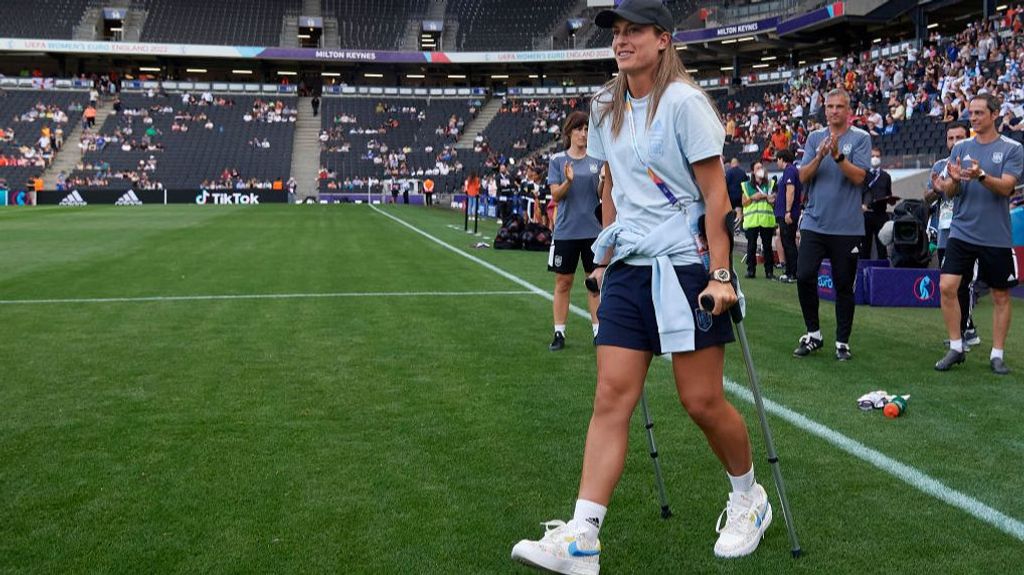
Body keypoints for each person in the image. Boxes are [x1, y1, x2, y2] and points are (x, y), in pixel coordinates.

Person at [511, 2, 770, 572]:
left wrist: (722, 274)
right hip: (628, 265)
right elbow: (610, 185)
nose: (622, 41)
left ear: (663, 40)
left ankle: (749, 496)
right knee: (611, 396)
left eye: (634, 32)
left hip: (685, 265)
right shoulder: (605, 105)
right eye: (617, 34)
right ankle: (583, 535)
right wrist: (603, 256)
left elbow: (716, 198)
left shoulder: (685, 104)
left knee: (699, 400)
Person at [931, 94, 1021, 375]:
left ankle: (997, 354)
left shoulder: (1011, 148)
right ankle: (956, 347)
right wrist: (952, 182)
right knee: (947, 286)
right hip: (962, 230)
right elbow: (950, 191)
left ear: (994, 115)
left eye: (980, 112)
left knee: (1000, 295)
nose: (974, 117)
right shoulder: (961, 147)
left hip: (995, 234)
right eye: (971, 112)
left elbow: (1006, 188)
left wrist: (981, 175)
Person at [793, 89, 871, 361]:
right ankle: (813, 333)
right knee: (803, 275)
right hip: (815, 221)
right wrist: (819, 156)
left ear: (848, 110)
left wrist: (838, 156)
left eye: (840, 106)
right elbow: (802, 176)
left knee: (843, 286)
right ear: (824, 110)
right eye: (830, 106)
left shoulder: (861, 138)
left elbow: (860, 177)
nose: (834, 110)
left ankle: (842, 342)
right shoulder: (814, 138)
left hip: (847, 226)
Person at [545, 110, 603, 351]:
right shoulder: (558, 160)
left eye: (587, 129)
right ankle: (559, 333)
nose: (583, 133)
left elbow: (601, 196)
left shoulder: (597, 160)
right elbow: (555, 195)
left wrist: (602, 180)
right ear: (569, 132)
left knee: (595, 283)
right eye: (579, 129)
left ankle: (599, 332)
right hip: (566, 232)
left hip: (593, 232)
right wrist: (568, 181)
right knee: (563, 283)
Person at [924, 123, 979, 348]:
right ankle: (967, 329)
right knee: (950, 283)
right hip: (946, 231)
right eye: (950, 138)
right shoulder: (939, 165)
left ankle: (965, 331)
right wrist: (936, 190)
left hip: (970, 231)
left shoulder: (975, 165)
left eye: (959, 137)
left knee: (963, 284)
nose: (954, 142)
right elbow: (927, 198)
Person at [740, 161, 776, 279]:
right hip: (752, 221)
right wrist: (752, 197)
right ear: (753, 172)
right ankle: (751, 270)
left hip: (766, 220)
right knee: (751, 246)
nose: (761, 169)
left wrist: (769, 198)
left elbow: (774, 200)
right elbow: (744, 202)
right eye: (758, 168)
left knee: (767, 247)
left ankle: (769, 272)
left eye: (762, 167)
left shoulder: (770, 184)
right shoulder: (746, 185)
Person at [774, 149, 801, 283]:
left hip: (788, 214)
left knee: (789, 243)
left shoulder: (790, 170)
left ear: (781, 158)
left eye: (777, 159)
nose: (776, 162)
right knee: (786, 242)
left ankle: (794, 272)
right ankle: (789, 271)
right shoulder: (788, 172)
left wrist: (787, 211)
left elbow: (790, 191)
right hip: (784, 212)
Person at [861, 147, 893, 259]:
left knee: (882, 247)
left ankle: (882, 273)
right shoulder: (863, 174)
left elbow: (889, 193)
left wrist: (891, 199)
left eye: (877, 156)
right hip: (866, 214)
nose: (875, 158)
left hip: (881, 215)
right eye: (872, 156)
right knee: (865, 246)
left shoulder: (886, 176)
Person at [725, 157, 748, 230]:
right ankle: (738, 227)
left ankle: (731, 226)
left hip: (731, 196)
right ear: (738, 163)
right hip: (740, 196)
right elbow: (746, 184)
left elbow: (725, 184)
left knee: (730, 212)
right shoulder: (743, 172)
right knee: (739, 211)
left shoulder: (728, 172)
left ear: (731, 164)